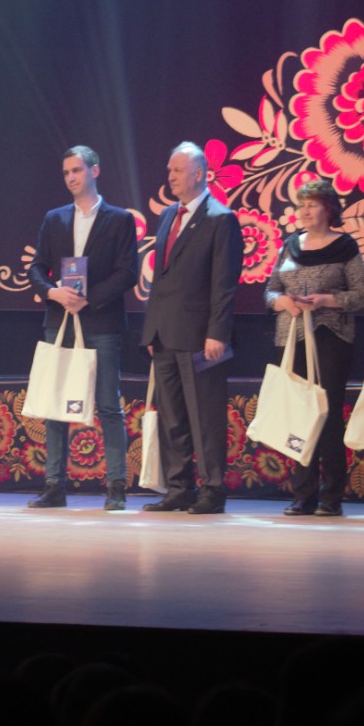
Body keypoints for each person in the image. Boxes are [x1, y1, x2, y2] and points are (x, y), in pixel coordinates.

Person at [27, 146, 137, 511]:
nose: (71, 177)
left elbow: (127, 273)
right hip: (60, 321)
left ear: (95, 171)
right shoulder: (54, 218)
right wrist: (53, 292)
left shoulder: (119, 219)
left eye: (77, 170)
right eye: (66, 172)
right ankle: (54, 486)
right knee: (55, 402)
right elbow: (37, 268)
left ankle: (116, 486)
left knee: (107, 404)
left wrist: (89, 299)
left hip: (101, 322)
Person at [140, 141, 244, 514]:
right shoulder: (169, 214)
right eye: (169, 170)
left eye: (177, 170)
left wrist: (217, 332)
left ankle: (212, 489)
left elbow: (224, 283)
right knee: (172, 417)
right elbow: (161, 278)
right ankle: (179, 487)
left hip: (201, 336)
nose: (170, 176)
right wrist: (151, 329)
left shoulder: (220, 218)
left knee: (205, 417)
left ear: (199, 173)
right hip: (165, 333)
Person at [265, 179, 364, 517]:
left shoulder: (345, 246)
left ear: (329, 209)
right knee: (300, 415)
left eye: (312, 205)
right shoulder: (290, 245)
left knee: (327, 414)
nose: (305, 211)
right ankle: (303, 495)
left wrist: (326, 300)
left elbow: (362, 295)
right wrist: (282, 302)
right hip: (292, 337)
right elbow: (270, 290)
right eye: (301, 205)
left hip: (330, 337)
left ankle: (331, 496)